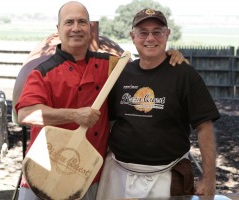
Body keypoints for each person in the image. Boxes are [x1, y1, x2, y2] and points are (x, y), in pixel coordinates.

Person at [15, 1, 186, 200]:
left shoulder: (110, 65)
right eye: (69, 22)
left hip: (87, 177)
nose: (76, 28)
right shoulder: (42, 72)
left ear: (90, 28)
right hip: (42, 174)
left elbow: (147, 69)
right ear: (58, 29)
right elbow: (25, 114)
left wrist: (170, 58)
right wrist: (75, 115)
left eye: (82, 22)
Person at [96, 8, 221, 200]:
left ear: (167, 34)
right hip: (117, 176)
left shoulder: (184, 75)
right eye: (143, 32)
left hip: (167, 177)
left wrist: (209, 179)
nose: (150, 38)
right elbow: (108, 121)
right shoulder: (121, 74)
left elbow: (205, 127)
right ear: (133, 36)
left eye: (157, 32)